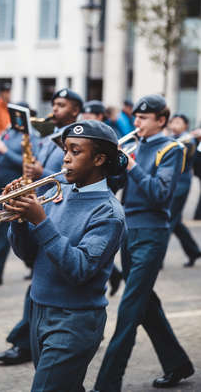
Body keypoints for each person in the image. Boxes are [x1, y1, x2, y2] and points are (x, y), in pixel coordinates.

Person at [6, 120, 127, 391]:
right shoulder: (59, 189)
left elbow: (79, 269)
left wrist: (39, 221)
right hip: (39, 308)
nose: (66, 158)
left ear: (98, 159)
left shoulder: (108, 213)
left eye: (75, 151)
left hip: (75, 319)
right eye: (65, 151)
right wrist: (18, 219)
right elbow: (26, 254)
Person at [91, 95, 194, 392]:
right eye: (135, 117)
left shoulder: (172, 149)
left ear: (161, 120)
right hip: (128, 230)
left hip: (151, 233)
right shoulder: (135, 146)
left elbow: (160, 194)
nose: (136, 123)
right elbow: (117, 187)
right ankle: (177, 364)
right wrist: (110, 166)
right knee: (145, 303)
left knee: (129, 309)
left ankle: (107, 383)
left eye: (143, 118)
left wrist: (132, 164)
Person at [0, 88, 83, 365]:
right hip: (42, 210)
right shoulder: (48, 136)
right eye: (54, 104)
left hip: (55, 212)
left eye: (61, 105)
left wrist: (39, 173)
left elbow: (68, 179)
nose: (54, 109)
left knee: (38, 284)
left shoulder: (74, 142)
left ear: (75, 111)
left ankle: (24, 344)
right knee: (39, 280)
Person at [0, 107, 40, 287]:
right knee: (15, 234)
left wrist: (4, 150)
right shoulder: (8, 133)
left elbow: (28, 164)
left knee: (4, 233)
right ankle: (33, 264)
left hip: (16, 192)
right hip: (1, 188)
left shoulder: (32, 136)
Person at [82, 100, 123, 296]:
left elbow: (118, 172)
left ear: (100, 116)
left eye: (90, 115)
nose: (86, 117)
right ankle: (114, 274)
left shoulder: (111, 133)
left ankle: (112, 274)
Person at [168, 114, 201, 267]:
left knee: (168, 221)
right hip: (172, 183)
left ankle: (155, 259)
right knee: (176, 222)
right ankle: (193, 251)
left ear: (186, 126)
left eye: (178, 122)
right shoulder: (172, 139)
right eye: (172, 122)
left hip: (181, 184)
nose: (174, 125)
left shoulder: (188, 141)